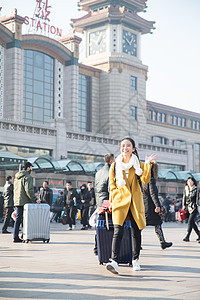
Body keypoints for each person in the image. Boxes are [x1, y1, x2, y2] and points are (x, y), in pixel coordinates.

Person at [106, 137, 157, 274]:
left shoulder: (137, 163)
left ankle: (135, 259)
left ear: (133, 148)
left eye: (128, 146)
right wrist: (114, 196)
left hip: (134, 200)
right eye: (123, 146)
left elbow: (145, 179)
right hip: (120, 201)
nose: (125, 148)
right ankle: (114, 261)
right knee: (118, 231)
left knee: (136, 231)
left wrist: (146, 164)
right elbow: (111, 184)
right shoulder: (115, 165)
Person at [142, 161, 173, 249]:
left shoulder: (142, 179)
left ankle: (137, 243)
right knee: (158, 224)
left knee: (141, 225)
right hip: (151, 207)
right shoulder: (150, 179)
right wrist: (158, 206)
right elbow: (153, 194)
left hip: (143, 206)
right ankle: (162, 242)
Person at [13, 162, 40, 243]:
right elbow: (29, 190)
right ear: (28, 168)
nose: (31, 169)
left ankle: (15, 236)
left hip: (17, 200)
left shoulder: (17, 177)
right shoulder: (28, 177)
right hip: (25, 201)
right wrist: (34, 199)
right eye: (31, 167)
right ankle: (24, 235)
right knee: (25, 219)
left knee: (18, 219)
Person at [94, 153, 115, 254]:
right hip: (107, 202)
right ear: (111, 161)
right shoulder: (111, 172)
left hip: (99, 202)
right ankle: (108, 247)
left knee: (100, 225)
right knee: (109, 226)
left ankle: (97, 247)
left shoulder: (98, 172)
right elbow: (110, 189)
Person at [182, 176, 200, 242]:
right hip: (187, 208)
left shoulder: (196, 189)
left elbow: (198, 198)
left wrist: (197, 204)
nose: (189, 182)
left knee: (190, 222)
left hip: (194, 207)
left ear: (193, 182)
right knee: (192, 222)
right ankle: (199, 234)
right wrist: (183, 205)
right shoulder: (185, 189)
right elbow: (184, 198)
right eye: (188, 181)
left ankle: (187, 236)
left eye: (191, 181)